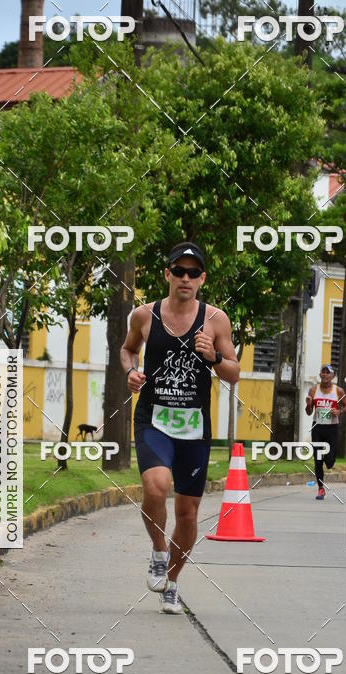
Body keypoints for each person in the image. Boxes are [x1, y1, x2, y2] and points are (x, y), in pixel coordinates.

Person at [121, 242, 240, 614]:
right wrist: (131, 372)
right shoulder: (144, 315)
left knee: (187, 514)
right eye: (179, 271)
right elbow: (127, 350)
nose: (185, 278)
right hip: (154, 419)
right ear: (167, 274)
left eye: (193, 272)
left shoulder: (216, 320)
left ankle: (172, 581)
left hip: (194, 426)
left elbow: (234, 373)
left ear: (202, 279)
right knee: (155, 487)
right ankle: (159, 552)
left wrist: (214, 356)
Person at [305, 364, 346, 500]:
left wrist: (339, 411)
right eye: (322, 372)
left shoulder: (338, 391)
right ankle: (321, 488)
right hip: (317, 427)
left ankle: (327, 461)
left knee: (329, 462)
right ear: (320, 375)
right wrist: (308, 404)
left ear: (332, 376)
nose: (324, 375)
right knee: (317, 460)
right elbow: (309, 412)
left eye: (327, 373)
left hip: (331, 428)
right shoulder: (313, 390)